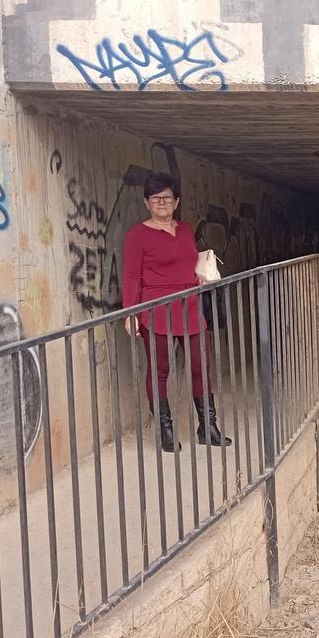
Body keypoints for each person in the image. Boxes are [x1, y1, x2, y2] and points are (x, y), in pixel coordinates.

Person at [121, 173, 229, 451]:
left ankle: (208, 426)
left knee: (200, 365)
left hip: (190, 304)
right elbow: (132, 276)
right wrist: (130, 312)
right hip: (155, 307)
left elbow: (188, 263)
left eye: (167, 197)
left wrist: (201, 277)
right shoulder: (137, 235)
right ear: (147, 202)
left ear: (176, 201)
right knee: (160, 369)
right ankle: (165, 430)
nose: (161, 202)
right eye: (155, 198)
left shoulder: (185, 229)